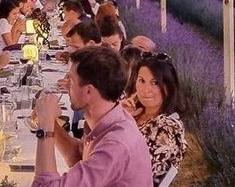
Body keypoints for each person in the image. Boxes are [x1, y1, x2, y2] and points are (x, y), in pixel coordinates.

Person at [32, 46, 154, 187]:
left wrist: (45, 127)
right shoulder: (115, 117)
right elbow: (77, 157)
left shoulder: (116, 145)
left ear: (88, 91)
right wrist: (51, 121)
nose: (66, 84)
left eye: (71, 80)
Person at [122, 53, 188, 184]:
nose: (146, 90)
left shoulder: (167, 127)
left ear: (168, 87)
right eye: (141, 81)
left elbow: (135, 172)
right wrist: (121, 116)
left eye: (155, 83)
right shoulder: (135, 115)